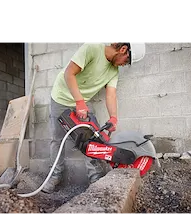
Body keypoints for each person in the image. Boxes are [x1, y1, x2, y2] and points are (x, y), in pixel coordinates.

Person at [42, 40, 146, 193]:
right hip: (61, 98)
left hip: (82, 102)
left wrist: (113, 118)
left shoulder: (113, 71)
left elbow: (111, 95)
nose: (125, 64)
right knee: (57, 140)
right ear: (123, 49)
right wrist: (79, 102)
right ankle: (54, 177)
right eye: (127, 60)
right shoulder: (92, 48)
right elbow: (69, 73)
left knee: (92, 140)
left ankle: (95, 179)